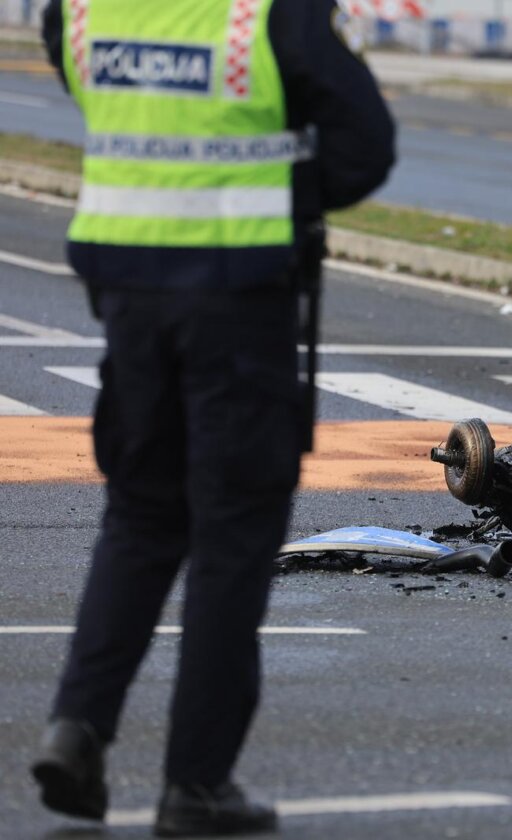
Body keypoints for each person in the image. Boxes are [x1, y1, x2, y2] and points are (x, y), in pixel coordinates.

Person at [31, 0, 395, 835]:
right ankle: (196, 783)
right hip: (238, 298)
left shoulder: (83, 10)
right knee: (232, 539)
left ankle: (76, 728)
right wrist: (287, 188)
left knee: (141, 517)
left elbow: (96, 90)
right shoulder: (263, 12)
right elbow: (365, 145)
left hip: (129, 296)